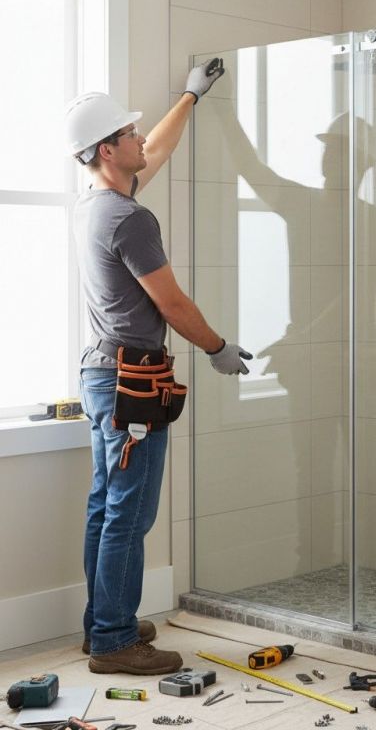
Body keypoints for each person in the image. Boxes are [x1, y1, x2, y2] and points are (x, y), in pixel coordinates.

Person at [65, 60, 253, 675]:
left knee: (105, 502)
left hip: (101, 375)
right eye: (128, 134)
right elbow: (170, 303)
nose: (140, 139)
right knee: (130, 510)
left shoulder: (95, 205)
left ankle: (103, 624)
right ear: (104, 149)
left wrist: (190, 97)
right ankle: (117, 639)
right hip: (132, 382)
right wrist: (218, 347)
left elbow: (158, 148)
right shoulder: (131, 219)